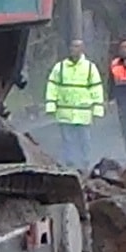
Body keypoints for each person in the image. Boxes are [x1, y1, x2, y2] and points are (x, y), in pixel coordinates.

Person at [44, 39, 104, 169]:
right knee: (67, 140)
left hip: (83, 113)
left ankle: (85, 162)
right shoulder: (60, 67)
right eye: (72, 46)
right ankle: (69, 164)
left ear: (82, 49)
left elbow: (96, 89)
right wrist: (51, 106)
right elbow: (53, 87)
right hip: (65, 112)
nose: (74, 49)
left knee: (85, 140)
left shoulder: (90, 68)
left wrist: (97, 110)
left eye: (77, 47)